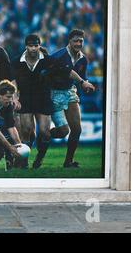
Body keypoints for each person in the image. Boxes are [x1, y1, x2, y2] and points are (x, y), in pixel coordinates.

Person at [48, 29, 95, 168]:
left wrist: (86, 85)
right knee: (63, 132)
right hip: (54, 93)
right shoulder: (60, 56)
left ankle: (68, 161)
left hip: (70, 91)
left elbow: (83, 76)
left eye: (81, 41)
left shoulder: (83, 59)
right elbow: (69, 72)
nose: (78, 43)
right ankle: (44, 135)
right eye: (76, 40)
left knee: (77, 130)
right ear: (69, 41)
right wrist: (82, 82)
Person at [10, 34, 55, 169]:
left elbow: (57, 76)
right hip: (26, 98)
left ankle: (39, 159)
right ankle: (23, 162)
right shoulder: (17, 61)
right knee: (26, 131)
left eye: (36, 45)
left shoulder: (48, 60)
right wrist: (15, 97)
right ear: (26, 46)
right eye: (31, 46)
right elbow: (13, 81)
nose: (34, 48)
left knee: (45, 132)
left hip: (43, 98)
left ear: (39, 45)